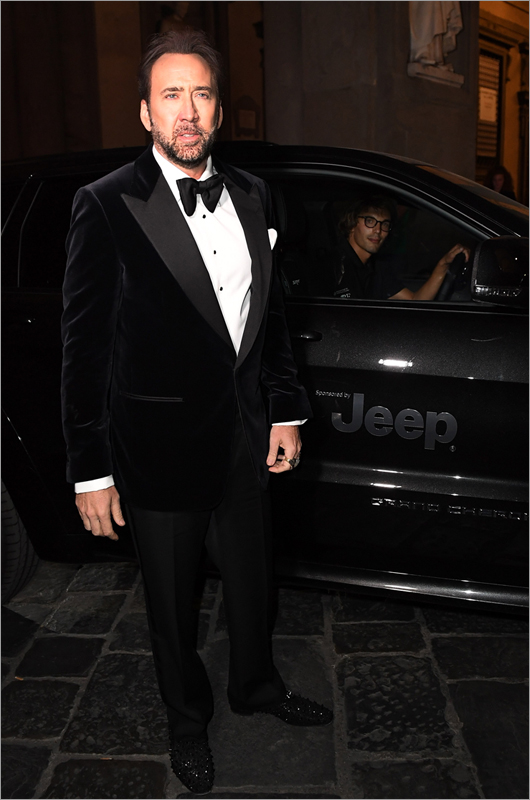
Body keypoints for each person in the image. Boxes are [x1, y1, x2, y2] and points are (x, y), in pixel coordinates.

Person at [61, 29, 331, 796]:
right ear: (146, 113)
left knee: (252, 585)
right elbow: (83, 351)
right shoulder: (105, 203)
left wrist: (285, 410)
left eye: (202, 93)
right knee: (172, 610)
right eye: (171, 95)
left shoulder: (253, 195)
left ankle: (257, 687)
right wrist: (90, 472)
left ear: (218, 109)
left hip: (244, 439)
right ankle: (187, 723)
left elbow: (268, 318)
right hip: (157, 449)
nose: (188, 111)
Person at [331, 195, 470, 301]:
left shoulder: (375, 268)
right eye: (370, 221)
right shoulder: (331, 265)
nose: (378, 230)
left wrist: (443, 264)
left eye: (385, 224)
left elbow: (415, 300)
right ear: (352, 223)